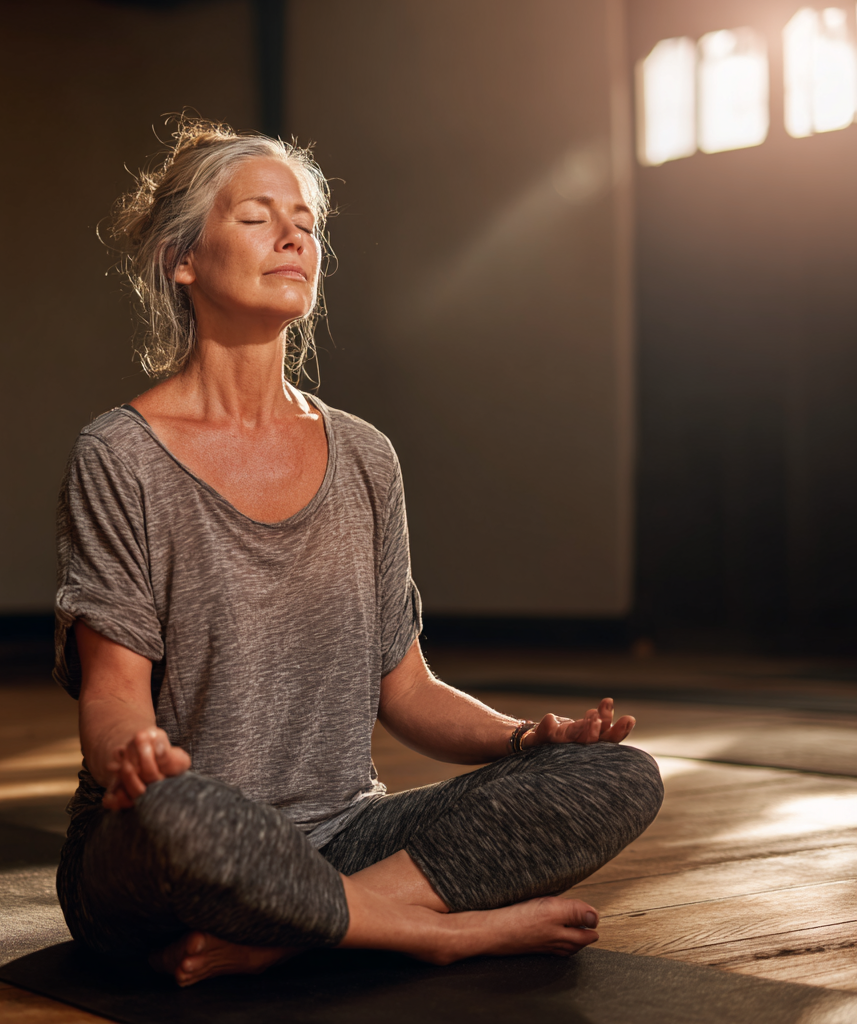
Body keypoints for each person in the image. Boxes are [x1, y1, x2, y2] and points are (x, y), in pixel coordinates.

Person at [53, 118, 663, 988]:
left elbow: (406, 689)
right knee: (188, 816)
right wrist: (135, 763)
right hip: (174, 842)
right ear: (182, 258)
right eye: (259, 216)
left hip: (345, 835)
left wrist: (529, 738)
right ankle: (433, 933)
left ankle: (299, 929)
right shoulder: (119, 456)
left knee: (617, 774)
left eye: (305, 221)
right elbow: (113, 698)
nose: (295, 234)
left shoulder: (366, 457)